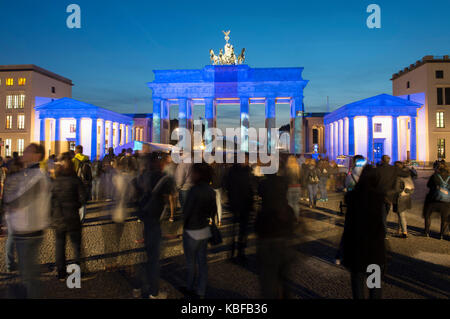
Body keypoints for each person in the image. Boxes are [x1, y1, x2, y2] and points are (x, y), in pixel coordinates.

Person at [2, 143, 50, 298]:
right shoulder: (29, 173)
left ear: (37, 155)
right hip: (26, 229)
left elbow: (20, 200)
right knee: (27, 272)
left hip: (29, 230)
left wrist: (9, 203)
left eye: (28, 150)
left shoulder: (37, 175)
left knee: (28, 275)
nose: (24, 152)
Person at [341, 164, 386, 299]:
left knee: (358, 285)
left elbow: (348, 226)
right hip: (375, 249)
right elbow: (381, 226)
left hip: (356, 248)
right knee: (374, 286)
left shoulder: (352, 197)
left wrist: (342, 249)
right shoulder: (379, 199)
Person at [134, 152, 175, 299]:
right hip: (154, 221)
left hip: (144, 217)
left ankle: (137, 286)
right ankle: (154, 292)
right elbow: (168, 197)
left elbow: (135, 192)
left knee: (144, 255)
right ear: (161, 163)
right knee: (154, 258)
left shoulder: (143, 176)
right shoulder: (164, 178)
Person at [256, 170, 296, 298]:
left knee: (268, 276)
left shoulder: (263, 186)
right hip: (283, 234)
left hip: (268, 233)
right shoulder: (283, 185)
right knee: (284, 274)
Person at [182, 163, 217, 299]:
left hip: (192, 230)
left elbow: (187, 211)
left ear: (198, 175)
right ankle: (201, 291)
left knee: (191, 262)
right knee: (202, 262)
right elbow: (213, 211)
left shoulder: (194, 191)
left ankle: (189, 286)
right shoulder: (211, 191)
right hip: (204, 229)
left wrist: (184, 226)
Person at [51, 152, 87, 280]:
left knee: (60, 246)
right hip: (72, 217)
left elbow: (50, 199)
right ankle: (77, 273)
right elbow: (83, 198)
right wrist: (76, 204)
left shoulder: (55, 181)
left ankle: (61, 273)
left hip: (58, 217)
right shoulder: (75, 180)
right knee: (76, 246)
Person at [225, 153, 254, 260]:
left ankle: (241, 252)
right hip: (236, 203)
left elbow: (250, 187)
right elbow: (228, 186)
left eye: (247, 159)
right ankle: (232, 251)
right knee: (233, 230)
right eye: (245, 159)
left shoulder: (248, 171)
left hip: (245, 204)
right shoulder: (233, 171)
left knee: (243, 230)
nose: (246, 161)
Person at [375, 155, 410, 237]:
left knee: (383, 214)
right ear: (389, 160)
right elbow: (406, 174)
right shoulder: (394, 169)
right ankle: (383, 230)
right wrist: (405, 167)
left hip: (381, 194)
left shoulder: (377, 169)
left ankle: (384, 232)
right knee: (386, 212)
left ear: (382, 160)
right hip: (391, 196)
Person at [423, 162, 450, 239]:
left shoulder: (434, 176)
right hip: (446, 201)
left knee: (427, 215)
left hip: (433, 199)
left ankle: (426, 232)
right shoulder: (449, 177)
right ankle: (441, 235)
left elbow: (428, 185)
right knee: (444, 219)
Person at [392, 161, 415, 238]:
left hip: (400, 197)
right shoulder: (407, 174)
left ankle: (404, 232)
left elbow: (396, 188)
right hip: (407, 196)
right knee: (400, 214)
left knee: (401, 215)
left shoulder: (398, 176)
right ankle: (399, 230)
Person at [284, 155, 301, 220]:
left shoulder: (287, 168)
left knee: (290, 203)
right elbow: (301, 178)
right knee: (296, 204)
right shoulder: (298, 168)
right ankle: (297, 218)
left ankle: (291, 218)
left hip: (290, 187)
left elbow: (285, 178)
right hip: (297, 187)